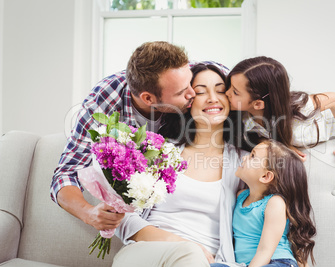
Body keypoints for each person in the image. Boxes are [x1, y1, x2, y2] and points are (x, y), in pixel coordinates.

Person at [50, 41, 228, 232]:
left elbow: (250, 86)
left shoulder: (188, 73)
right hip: (146, 220)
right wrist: (90, 214)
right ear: (148, 98)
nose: (193, 93)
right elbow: (65, 174)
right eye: (182, 92)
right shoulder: (105, 100)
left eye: (192, 85)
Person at [112, 63, 247, 267]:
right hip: (146, 254)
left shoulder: (246, 162)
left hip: (208, 262)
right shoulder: (159, 151)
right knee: (188, 254)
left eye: (220, 90)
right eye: (201, 92)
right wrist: (186, 245)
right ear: (188, 102)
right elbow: (124, 218)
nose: (212, 97)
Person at [225, 56, 335, 164]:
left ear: (258, 104)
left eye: (234, 92)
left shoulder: (300, 106)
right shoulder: (246, 118)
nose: (226, 93)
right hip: (321, 129)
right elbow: (265, 133)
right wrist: (286, 146)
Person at [218, 140, 316, 267]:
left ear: (265, 176)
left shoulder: (274, 203)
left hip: (277, 263)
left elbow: (265, 252)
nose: (245, 157)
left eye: (253, 156)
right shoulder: (240, 196)